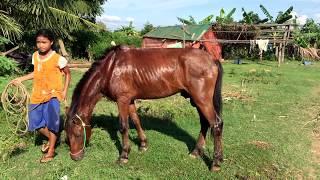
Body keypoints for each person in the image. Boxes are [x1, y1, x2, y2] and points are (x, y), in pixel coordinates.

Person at [12, 29, 71, 163]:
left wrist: (64, 91)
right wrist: (21, 79)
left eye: (44, 42)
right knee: (35, 123)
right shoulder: (35, 56)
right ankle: (53, 140)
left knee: (52, 123)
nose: (41, 45)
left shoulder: (58, 59)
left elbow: (68, 74)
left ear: (51, 42)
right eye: (38, 42)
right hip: (37, 94)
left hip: (53, 94)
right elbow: (36, 73)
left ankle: (51, 152)